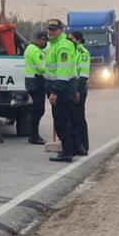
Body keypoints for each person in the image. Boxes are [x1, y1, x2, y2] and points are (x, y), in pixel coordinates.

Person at [44, 19, 77, 162]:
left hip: (62, 90)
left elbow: (63, 73)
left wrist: (55, 92)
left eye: (54, 29)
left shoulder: (64, 46)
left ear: (61, 30)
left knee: (61, 122)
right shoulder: (53, 44)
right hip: (57, 88)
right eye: (49, 29)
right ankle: (68, 150)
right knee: (61, 121)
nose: (51, 32)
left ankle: (68, 153)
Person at [23, 31, 49, 145]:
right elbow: (42, 68)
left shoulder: (29, 48)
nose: (45, 43)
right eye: (45, 41)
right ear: (41, 40)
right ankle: (34, 135)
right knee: (39, 110)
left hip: (31, 81)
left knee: (35, 109)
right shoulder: (36, 51)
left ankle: (33, 135)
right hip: (37, 82)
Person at [68, 31, 90, 154]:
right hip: (72, 88)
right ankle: (76, 146)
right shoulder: (73, 51)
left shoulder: (83, 53)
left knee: (79, 118)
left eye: (71, 39)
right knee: (72, 118)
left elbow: (83, 76)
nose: (69, 41)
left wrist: (77, 91)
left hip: (79, 90)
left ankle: (83, 145)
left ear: (78, 40)